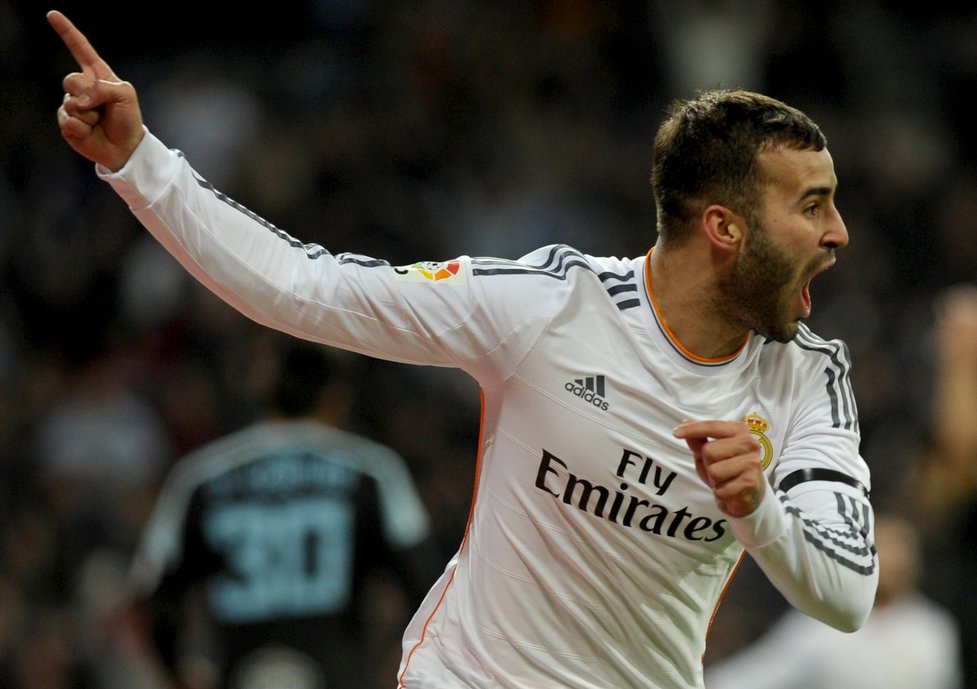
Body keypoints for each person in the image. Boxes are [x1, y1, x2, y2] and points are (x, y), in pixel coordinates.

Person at [48, 10, 878, 688]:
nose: (837, 232)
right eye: (812, 206)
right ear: (724, 227)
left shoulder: (806, 380)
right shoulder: (548, 305)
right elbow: (302, 286)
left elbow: (846, 594)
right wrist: (141, 164)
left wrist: (757, 507)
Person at [126, 336, 443, 689]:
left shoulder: (201, 475)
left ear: (262, 390)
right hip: (340, 672)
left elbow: (154, 595)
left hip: (238, 671)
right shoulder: (372, 470)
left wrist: (176, 672)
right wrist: (401, 663)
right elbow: (429, 584)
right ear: (337, 396)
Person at [702, 513, 963, 689]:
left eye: (902, 549)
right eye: (884, 547)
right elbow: (758, 674)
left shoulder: (933, 629)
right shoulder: (822, 622)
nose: (894, 559)